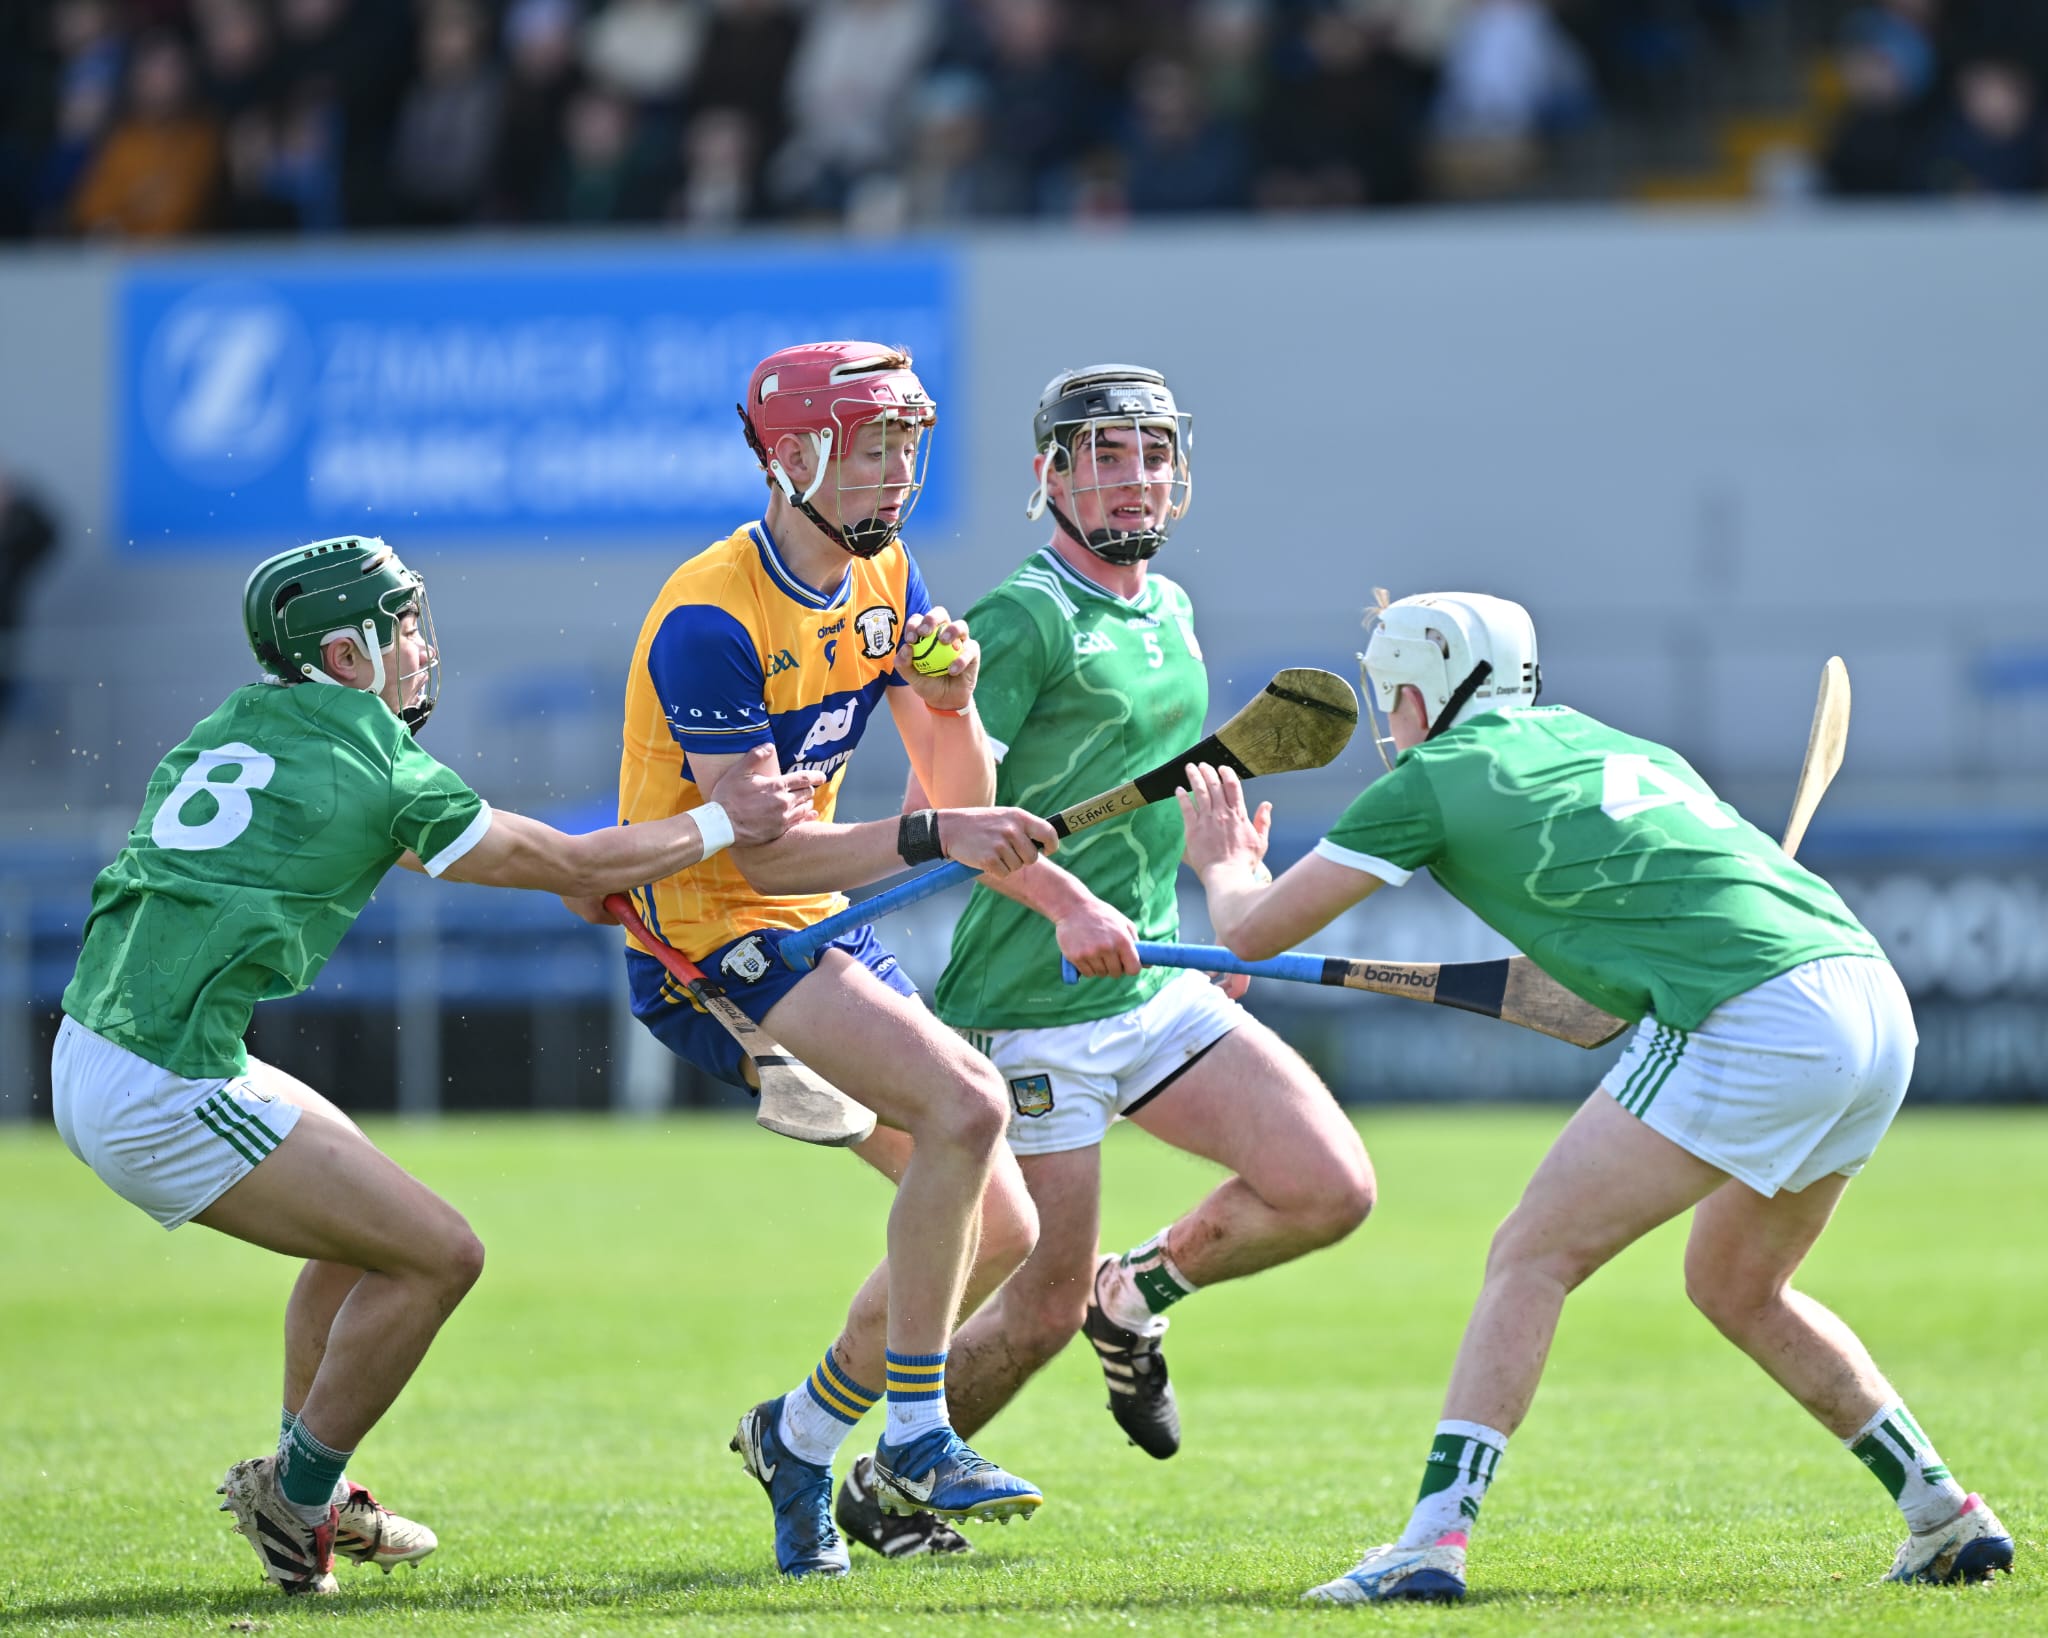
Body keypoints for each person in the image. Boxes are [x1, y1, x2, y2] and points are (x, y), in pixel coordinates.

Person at [1172, 590, 2016, 1603]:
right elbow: (1641, 937)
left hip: (1757, 1015)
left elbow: (1253, 934)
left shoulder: (1435, 777)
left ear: (1415, 687)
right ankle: (1941, 1514)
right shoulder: (1608, 743)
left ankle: (1431, 1542)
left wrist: (1225, 866)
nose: (1387, 719)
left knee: (1529, 1254)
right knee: (1737, 1287)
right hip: (1870, 1001)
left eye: (1388, 693)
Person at [52, 535, 819, 1597]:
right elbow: (567, 858)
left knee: (370, 1232)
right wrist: (717, 821)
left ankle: (311, 1486)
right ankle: (297, 1495)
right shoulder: (374, 759)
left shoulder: (244, 722)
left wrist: (557, 874)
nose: (420, 646)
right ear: (343, 653)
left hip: (108, 1041)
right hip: (162, 1081)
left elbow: (454, 847)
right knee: (439, 1254)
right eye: (399, 625)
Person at [831, 364, 1375, 1561]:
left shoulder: (1168, 608)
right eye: (1106, 456)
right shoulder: (1024, 617)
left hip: (1152, 979)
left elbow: (1132, 796)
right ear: (1050, 477)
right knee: (1028, 1304)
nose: (1136, 479)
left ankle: (1134, 1299)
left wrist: (1211, 880)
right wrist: (1065, 905)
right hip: (1033, 1006)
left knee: (1326, 1187)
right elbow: (950, 805)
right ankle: (878, 1484)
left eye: (1153, 455)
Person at [572, 340, 1059, 1578]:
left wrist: (952, 705)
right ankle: (917, 1438)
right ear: (793, 457)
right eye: (872, 446)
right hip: (702, 940)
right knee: (970, 1104)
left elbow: (960, 787)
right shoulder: (706, 618)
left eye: (908, 443)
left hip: (806, 928)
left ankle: (795, 1441)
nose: (898, 473)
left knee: (997, 1224)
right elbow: (771, 858)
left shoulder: (885, 569)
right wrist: (938, 830)